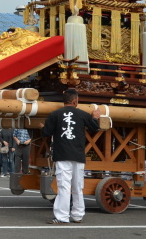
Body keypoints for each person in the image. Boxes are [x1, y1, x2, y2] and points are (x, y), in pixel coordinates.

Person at [40, 88, 100, 225]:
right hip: (78, 155)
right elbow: (94, 127)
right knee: (78, 186)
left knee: (64, 186)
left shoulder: (55, 114)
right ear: (75, 101)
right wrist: (95, 117)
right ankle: (78, 215)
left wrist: (41, 127)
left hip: (62, 154)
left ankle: (62, 216)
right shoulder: (83, 114)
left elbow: (46, 132)